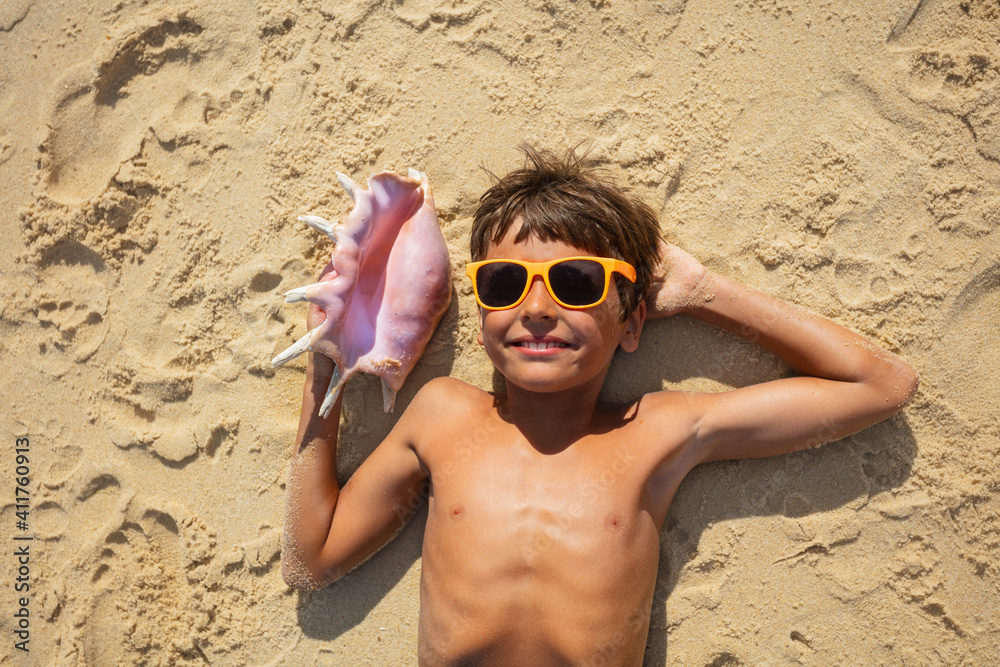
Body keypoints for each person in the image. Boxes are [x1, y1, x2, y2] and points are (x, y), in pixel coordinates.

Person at [280, 146, 919, 665]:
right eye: (504, 283)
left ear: (633, 322)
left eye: (576, 282)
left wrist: (702, 292)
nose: (536, 308)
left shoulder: (658, 431)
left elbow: (879, 386)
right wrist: (327, 365)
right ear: (480, 320)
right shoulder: (442, 415)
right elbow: (312, 562)